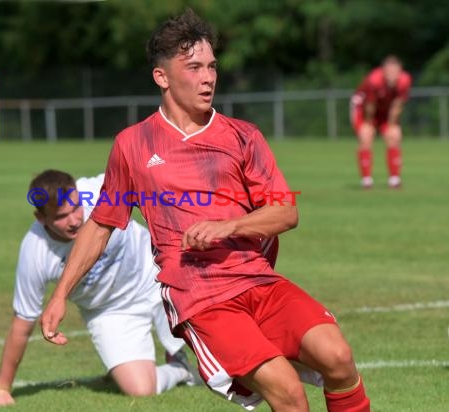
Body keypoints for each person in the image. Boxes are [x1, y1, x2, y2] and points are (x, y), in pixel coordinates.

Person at [41, 9, 370, 412]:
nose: (208, 77)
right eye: (194, 67)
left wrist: (228, 226)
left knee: (338, 358)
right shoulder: (133, 145)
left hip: (257, 280)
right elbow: (101, 224)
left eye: (212, 66)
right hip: (201, 297)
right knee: (288, 393)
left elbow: (286, 213)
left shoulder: (242, 136)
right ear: (162, 77)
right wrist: (60, 296)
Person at [0, 170, 199, 406]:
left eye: (76, 207)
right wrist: (2, 388)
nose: (75, 220)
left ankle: (178, 348)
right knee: (141, 389)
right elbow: (22, 324)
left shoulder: (98, 191)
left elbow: (151, 174)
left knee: (222, 346)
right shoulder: (34, 251)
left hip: (155, 274)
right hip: (108, 311)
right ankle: (180, 369)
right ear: (41, 217)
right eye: (61, 216)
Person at [351, 55, 412, 189]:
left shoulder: (405, 81)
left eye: (395, 72)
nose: (392, 76)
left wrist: (391, 125)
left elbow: (397, 105)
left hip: (385, 110)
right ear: (383, 71)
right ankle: (366, 180)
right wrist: (368, 124)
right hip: (364, 109)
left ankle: (394, 179)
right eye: (389, 72)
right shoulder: (374, 80)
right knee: (366, 136)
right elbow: (369, 105)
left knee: (394, 135)